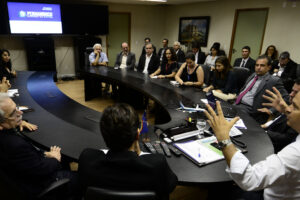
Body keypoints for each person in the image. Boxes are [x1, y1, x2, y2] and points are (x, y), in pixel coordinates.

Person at [204, 91, 300, 200]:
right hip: (272, 186)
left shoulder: (296, 153)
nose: (288, 108)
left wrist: (224, 138)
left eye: (295, 107)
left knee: (218, 188)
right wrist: (286, 112)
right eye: (291, 104)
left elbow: (249, 179)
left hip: (264, 195)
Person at [78, 103, 178, 198]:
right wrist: (139, 154)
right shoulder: (157, 164)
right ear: (137, 135)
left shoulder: (87, 159)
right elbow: (171, 184)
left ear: (103, 133)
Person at [0, 94, 78, 199]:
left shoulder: (6, 134)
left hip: (21, 172)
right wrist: (54, 158)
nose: (20, 112)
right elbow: (40, 170)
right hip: (37, 186)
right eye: (13, 113)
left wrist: (44, 153)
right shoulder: (14, 145)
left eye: (16, 108)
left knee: (63, 157)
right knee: (80, 177)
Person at [235, 55, 288, 124]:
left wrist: (271, 110)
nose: (258, 68)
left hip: (251, 111)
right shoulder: (253, 75)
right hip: (237, 104)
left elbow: (286, 98)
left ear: (269, 67)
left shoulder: (274, 81)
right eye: (257, 65)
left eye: (262, 65)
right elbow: (243, 90)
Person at [259, 79, 300, 153]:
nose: (291, 94)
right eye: (292, 91)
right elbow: (273, 122)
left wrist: (264, 132)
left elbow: (287, 138)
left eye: (296, 92)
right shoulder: (286, 104)